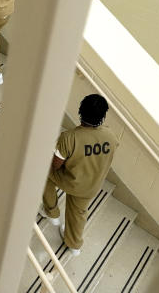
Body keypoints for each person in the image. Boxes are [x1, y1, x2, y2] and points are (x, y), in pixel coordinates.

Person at [40, 94, 119, 256]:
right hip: (91, 186)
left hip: (70, 182)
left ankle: (52, 212)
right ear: (103, 116)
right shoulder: (110, 136)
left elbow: (56, 165)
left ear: (80, 112)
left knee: (43, 170)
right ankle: (74, 245)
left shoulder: (69, 138)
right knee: (78, 214)